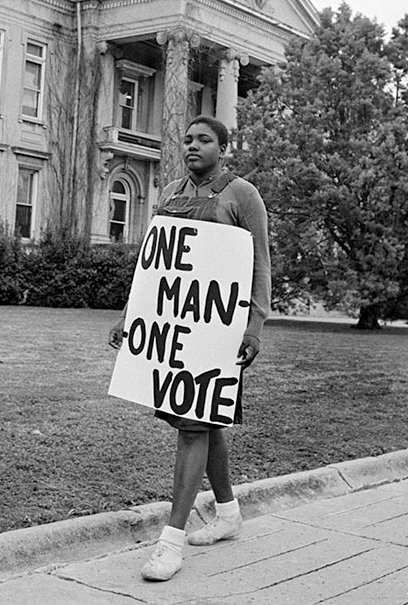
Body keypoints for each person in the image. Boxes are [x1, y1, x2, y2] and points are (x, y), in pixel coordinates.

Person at [109, 115, 271, 581]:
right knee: (206, 420)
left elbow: (260, 264)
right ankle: (227, 513)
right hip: (179, 330)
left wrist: (254, 325)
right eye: (188, 139)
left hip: (220, 329)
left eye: (204, 140)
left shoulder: (242, 194)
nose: (192, 146)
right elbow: (153, 263)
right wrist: (132, 314)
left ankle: (171, 542)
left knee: (193, 426)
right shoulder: (172, 194)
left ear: (223, 147)